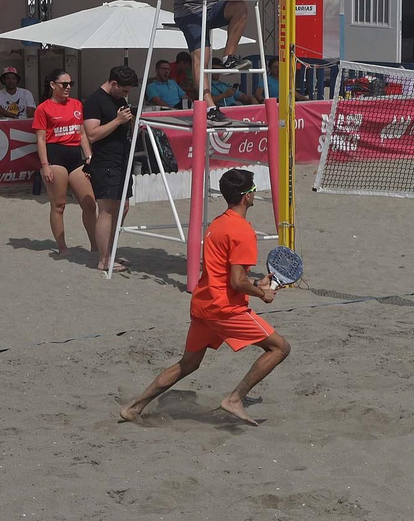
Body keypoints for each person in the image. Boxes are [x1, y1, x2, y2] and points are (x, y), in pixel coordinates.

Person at [120, 169, 290, 427]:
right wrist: (261, 293)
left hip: (203, 304)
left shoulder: (217, 224)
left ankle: (134, 407)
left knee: (188, 364)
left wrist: (256, 282)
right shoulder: (243, 231)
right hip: (224, 309)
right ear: (247, 196)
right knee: (280, 348)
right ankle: (234, 399)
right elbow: (237, 281)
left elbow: (223, 273)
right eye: (254, 190)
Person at [31, 69, 97, 256]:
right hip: (55, 157)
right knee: (59, 205)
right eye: (64, 84)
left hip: (76, 157)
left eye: (71, 84)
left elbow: (82, 134)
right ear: (53, 85)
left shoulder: (76, 104)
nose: (68, 87)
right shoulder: (43, 108)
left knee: (90, 204)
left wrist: (89, 156)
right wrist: (45, 165)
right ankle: (62, 246)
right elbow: (40, 140)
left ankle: (95, 244)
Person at [82, 65, 139, 273]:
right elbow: (92, 134)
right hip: (105, 161)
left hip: (122, 159)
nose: (125, 95)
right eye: (123, 90)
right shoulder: (95, 100)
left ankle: (111, 251)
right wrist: (117, 121)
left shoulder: (119, 100)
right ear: (114, 83)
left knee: (123, 206)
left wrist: (130, 121)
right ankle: (104, 259)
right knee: (106, 209)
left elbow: (123, 127)